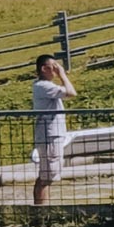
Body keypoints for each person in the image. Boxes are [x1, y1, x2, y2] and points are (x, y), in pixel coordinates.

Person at [31, 53, 77, 206]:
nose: (57, 69)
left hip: (52, 134)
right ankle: (41, 209)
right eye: (54, 67)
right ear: (44, 68)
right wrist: (62, 75)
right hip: (50, 135)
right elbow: (71, 93)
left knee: (47, 174)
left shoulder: (44, 86)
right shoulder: (43, 86)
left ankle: (43, 206)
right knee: (46, 176)